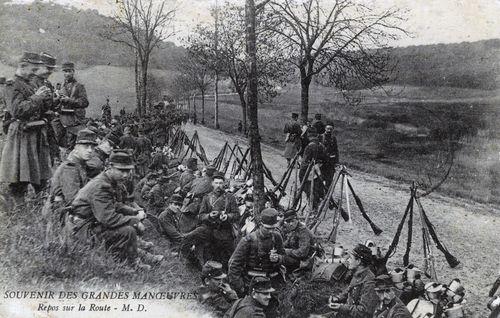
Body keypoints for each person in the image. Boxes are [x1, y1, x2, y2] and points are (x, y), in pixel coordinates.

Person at [67, 151, 150, 270]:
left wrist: (133, 211)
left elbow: (113, 205)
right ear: (110, 167)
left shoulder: (109, 180)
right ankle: (128, 264)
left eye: (128, 170)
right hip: (81, 229)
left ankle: (135, 255)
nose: (126, 175)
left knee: (127, 226)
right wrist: (134, 220)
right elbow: (108, 219)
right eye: (122, 170)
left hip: (90, 222)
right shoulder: (101, 186)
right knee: (128, 231)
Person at [0, 52, 52, 205]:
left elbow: (41, 108)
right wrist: (37, 97)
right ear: (22, 67)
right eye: (32, 70)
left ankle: (41, 201)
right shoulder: (12, 85)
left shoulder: (30, 83)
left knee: (40, 170)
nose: (34, 73)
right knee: (19, 172)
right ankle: (19, 206)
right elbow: (17, 110)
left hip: (35, 131)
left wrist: (47, 99)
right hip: (21, 133)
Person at [181, 173, 239, 268]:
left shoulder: (230, 197)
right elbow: (200, 215)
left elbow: (236, 215)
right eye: (216, 183)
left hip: (225, 230)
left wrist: (227, 216)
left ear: (224, 184)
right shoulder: (207, 197)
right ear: (212, 183)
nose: (218, 186)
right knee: (206, 251)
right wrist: (209, 216)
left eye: (220, 183)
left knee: (228, 256)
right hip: (210, 229)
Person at [228, 208, 285, 297]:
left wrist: (278, 258)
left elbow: (283, 255)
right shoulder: (249, 240)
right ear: (260, 225)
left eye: (273, 228)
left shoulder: (277, 237)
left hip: (272, 283)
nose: (271, 231)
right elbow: (233, 264)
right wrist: (240, 287)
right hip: (252, 283)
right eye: (267, 228)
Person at [45, 129, 97, 214]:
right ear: (76, 148)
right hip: (62, 214)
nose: (90, 150)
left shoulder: (80, 164)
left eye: (92, 147)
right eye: (86, 146)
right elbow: (73, 199)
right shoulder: (70, 168)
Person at [328, 244, 378, 318]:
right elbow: (349, 290)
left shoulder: (370, 282)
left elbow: (364, 312)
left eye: (350, 258)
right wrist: (338, 298)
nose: (347, 260)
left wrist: (341, 308)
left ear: (358, 261)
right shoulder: (357, 273)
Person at [58, 62, 89, 152]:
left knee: (74, 146)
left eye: (69, 71)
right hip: (63, 120)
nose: (66, 74)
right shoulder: (61, 86)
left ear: (73, 72)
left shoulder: (79, 86)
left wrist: (70, 100)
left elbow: (85, 102)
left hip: (75, 121)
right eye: (65, 71)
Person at [299, 126, 328, 210]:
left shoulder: (309, 147)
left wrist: (301, 175)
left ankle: (313, 208)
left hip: (309, 173)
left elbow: (304, 163)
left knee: (309, 190)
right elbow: (325, 159)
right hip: (319, 172)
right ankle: (316, 204)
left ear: (308, 135)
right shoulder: (321, 146)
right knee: (316, 189)